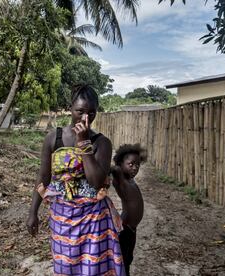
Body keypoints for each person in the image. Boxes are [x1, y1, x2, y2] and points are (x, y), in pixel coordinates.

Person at [26, 84, 125, 275]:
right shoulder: (53, 138)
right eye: (80, 111)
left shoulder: (102, 143)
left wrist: (84, 143)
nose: (85, 118)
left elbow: (96, 182)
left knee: (93, 268)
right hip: (62, 216)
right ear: (70, 108)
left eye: (91, 112)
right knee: (65, 266)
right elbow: (43, 177)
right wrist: (33, 212)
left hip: (94, 217)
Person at [111, 144, 146, 276]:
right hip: (125, 228)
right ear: (121, 163)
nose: (135, 168)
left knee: (128, 258)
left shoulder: (129, 179)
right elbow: (112, 169)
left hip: (132, 229)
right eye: (131, 164)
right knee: (123, 261)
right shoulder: (120, 176)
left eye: (138, 165)